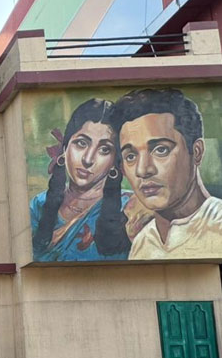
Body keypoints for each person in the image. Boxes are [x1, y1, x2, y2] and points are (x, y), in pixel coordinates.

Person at [112, 88, 222, 259]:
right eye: (131, 156)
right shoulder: (142, 243)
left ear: (197, 152)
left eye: (161, 150)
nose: (143, 170)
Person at [30, 98, 131, 261]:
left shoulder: (131, 209)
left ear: (115, 161)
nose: (88, 159)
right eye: (81, 143)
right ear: (65, 148)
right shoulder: (38, 206)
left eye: (104, 149)